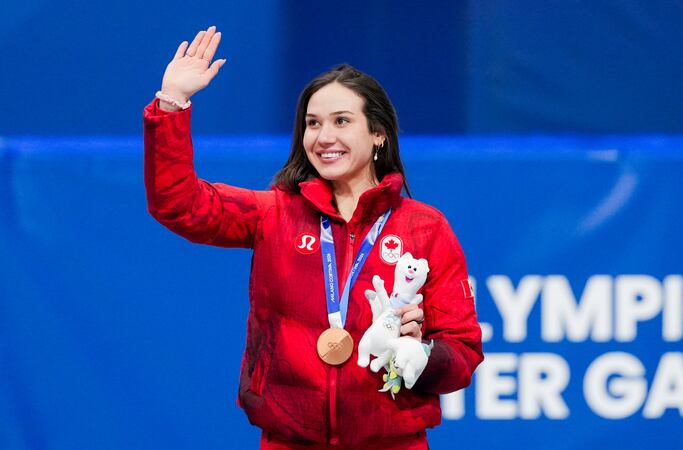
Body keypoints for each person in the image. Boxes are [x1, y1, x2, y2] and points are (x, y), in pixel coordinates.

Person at [144, 25, 483, 449]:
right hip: (289, 440)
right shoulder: (274, 213)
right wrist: (172, 102)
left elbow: (463, 353)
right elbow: (177, 204)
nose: (323, 138)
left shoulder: (424, 228)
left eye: (342, 121)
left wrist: (422, 356)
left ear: (378, 133)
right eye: (312, 123)